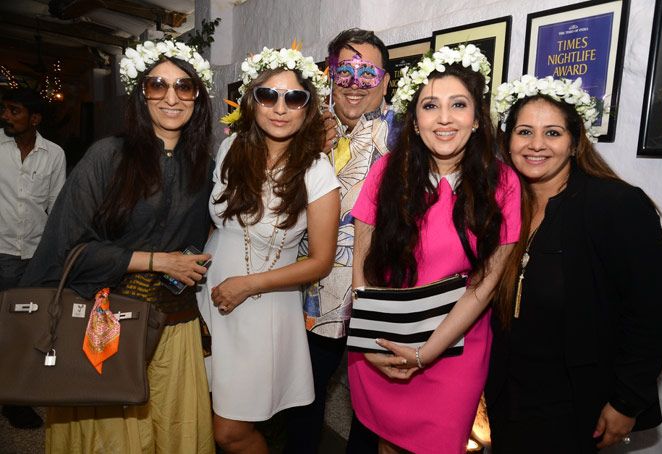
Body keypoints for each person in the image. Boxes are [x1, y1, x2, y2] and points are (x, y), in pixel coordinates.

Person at [20, 40, 216, 453]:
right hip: (108, 320)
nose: (171, 97)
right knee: (115, 439)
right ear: (141, 94)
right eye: (157, 85)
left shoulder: (203, 163)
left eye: (184, 86)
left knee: (173, 429)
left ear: (197, 97)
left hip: (174, 324)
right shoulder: (108, 156)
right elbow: (67, 246)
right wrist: (155, 260)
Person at [486, 75, 662, 453]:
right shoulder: (503, 206)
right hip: (508, 394)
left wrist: (626, 400)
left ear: (575, 143)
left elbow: (653, 309)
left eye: (553, 133)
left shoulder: (614, 204)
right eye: (524, 131)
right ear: (507, 142)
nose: (536, 144)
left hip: (575, 402)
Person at [349, 44, 521, 453]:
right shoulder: (384, 173)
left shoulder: (504, 184)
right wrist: (374, 343)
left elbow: (485, 285)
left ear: (478, 119)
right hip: (382, 345)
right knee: (386, 445)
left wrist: (426, 354)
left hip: (453, 351)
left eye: (458, 105)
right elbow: (361, 265)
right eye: (430, 106)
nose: (444, 118)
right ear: (415, 120)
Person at [197, 46, 340, 454]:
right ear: (252, 100)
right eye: (268, 95)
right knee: (205, 412)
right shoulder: (230, 150)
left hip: (262, 309)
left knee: (231, 432)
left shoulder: (316, 171)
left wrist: (246, 284)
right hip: (209, 301)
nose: (280, 107)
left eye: (294, 97)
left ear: (307, 108)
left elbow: (321, 261)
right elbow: (219, 225)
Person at [286, 28, 396, 454]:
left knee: (369, 418)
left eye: (367, 72)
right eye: (344, 71)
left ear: (385, 80)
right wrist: (303, 150)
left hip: (380, 298)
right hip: (312, 297)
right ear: (330, 75)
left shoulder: (408, 137)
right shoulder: (300, 127)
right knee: (303, 405)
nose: (354, 82)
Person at [0, 88, 66, 429]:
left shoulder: (54, 155)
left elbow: (57, 207)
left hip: (36, 258)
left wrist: (54, 255)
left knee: (26, 330)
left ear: (35, 118)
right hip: (1, 252)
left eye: (14, 111)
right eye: (5, 110)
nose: (6, 116)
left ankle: (14, 399)